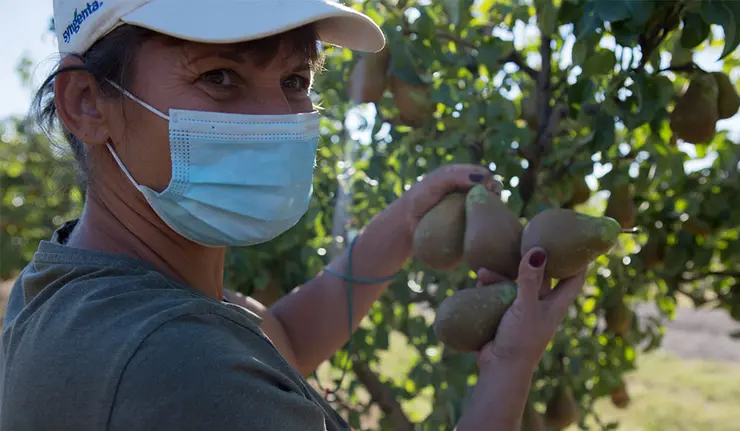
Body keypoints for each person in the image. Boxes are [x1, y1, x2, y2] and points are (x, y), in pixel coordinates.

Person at [0, 0, 587, 430]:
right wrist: (511, 364)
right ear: (86, 103)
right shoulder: (178, 368)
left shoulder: (84, 283)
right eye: (218, 76)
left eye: (295, 79)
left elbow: (279, 341)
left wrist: (406, 221)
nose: (275, 117)